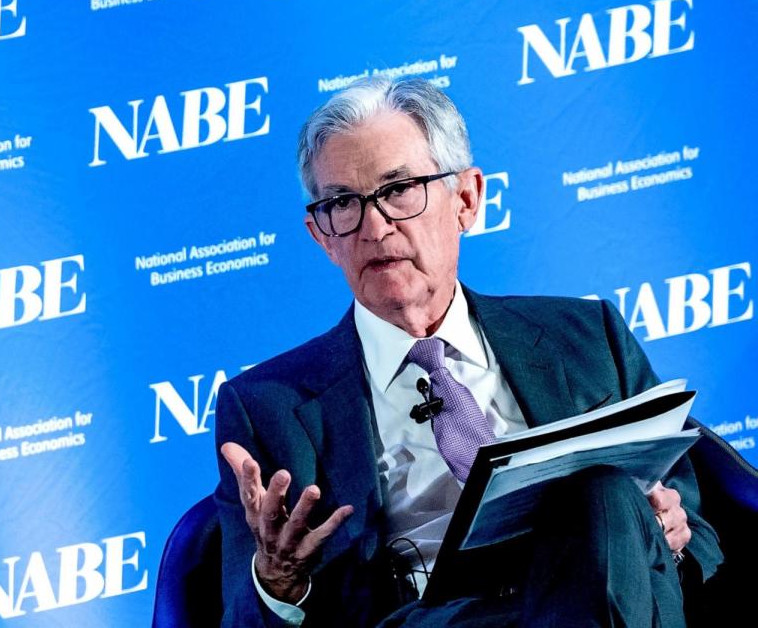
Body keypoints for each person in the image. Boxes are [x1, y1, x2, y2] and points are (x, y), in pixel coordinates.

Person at [213, 77, 722, 627]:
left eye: (399, 189)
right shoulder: (264, 407)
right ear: (321, 236)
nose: (375, 227)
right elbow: (241, 620)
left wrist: (668, 534)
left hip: (592, 590)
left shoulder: (588, 337)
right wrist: (277, 581)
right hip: (425, 617)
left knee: (604, 498)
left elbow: (706, 544)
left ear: (466, 199)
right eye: (343, 203)